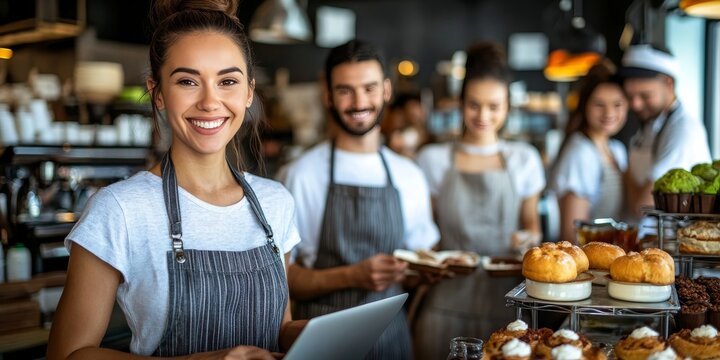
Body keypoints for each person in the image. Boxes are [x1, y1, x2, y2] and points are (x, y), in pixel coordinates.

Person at [47, 1, 305, 359]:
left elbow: (278, 327)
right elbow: (68, 354)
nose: (210, 102)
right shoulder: (120, 209)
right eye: (187, 81)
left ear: (249, 92)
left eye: (227, 81)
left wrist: (312, 334)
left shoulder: (276, 202)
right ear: (158, 92)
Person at [282, 39, 439, 360]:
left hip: (392, 339)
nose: (358, 102)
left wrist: (425, 271)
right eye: (345, 90)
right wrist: (353, 275)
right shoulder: (302, 174)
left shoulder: (409, 175)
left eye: (368, 88)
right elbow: (286, 281)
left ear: (386, 90)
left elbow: (422, 258)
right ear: (327, 95)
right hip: (323, 342)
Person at [414, 42, 545, 360]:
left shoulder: (523, 158)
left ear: (507, 107)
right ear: (460, 104)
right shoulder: (433, 159)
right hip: (445, 298)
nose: (483, 115)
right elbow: (425, 234)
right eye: (474, 105)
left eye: (494, 106)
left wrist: (527, 238)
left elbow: (533, 228)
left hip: (507, 302)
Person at [621, 43, 711, 217]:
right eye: (630, 96)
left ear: (669, 83)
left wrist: (624, 172)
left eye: (645, 96)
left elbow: (643, 206)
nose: (635, 104)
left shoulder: (683, 130)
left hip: (672, 240)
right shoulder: (651, 124)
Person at [549, 60, 629, 242]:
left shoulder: (617, 149)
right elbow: (571, 233)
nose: (609, 113)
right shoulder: (581, 152)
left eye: (617, 104)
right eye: (599, 104)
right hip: (589, 265)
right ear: (584, 105)